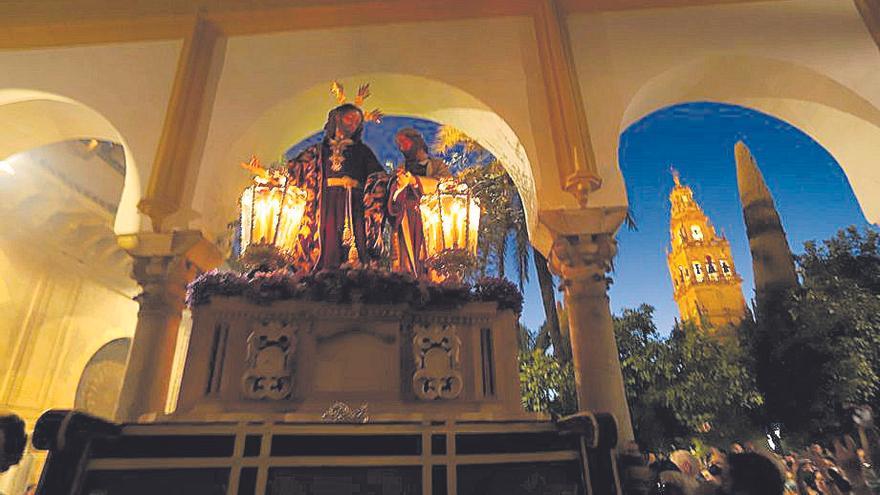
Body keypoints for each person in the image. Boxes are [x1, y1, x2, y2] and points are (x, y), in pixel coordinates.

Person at [288, 103, 384, 270]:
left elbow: (378, 176)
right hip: (325, 203)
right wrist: (272, 175)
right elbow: (295, 171)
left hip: (354, 203)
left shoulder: (363, 151)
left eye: (357, 121)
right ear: (337, 118)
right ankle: (323, 273)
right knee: (327, 237)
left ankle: (356, 275)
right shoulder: (317, 151)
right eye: (350, 118)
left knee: (356, 240)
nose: (353, 123)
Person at [386, 128, 451, 276]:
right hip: (407, 220)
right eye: (399, 144)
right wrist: (396, 186)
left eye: (404, 142)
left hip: (432, 220)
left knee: (432, 260)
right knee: (407, 261)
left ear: (416, 141)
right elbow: (392, 197)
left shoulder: (437, 165)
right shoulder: (401, 169)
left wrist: (415, 181)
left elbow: (447, 185)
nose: (401, 147)